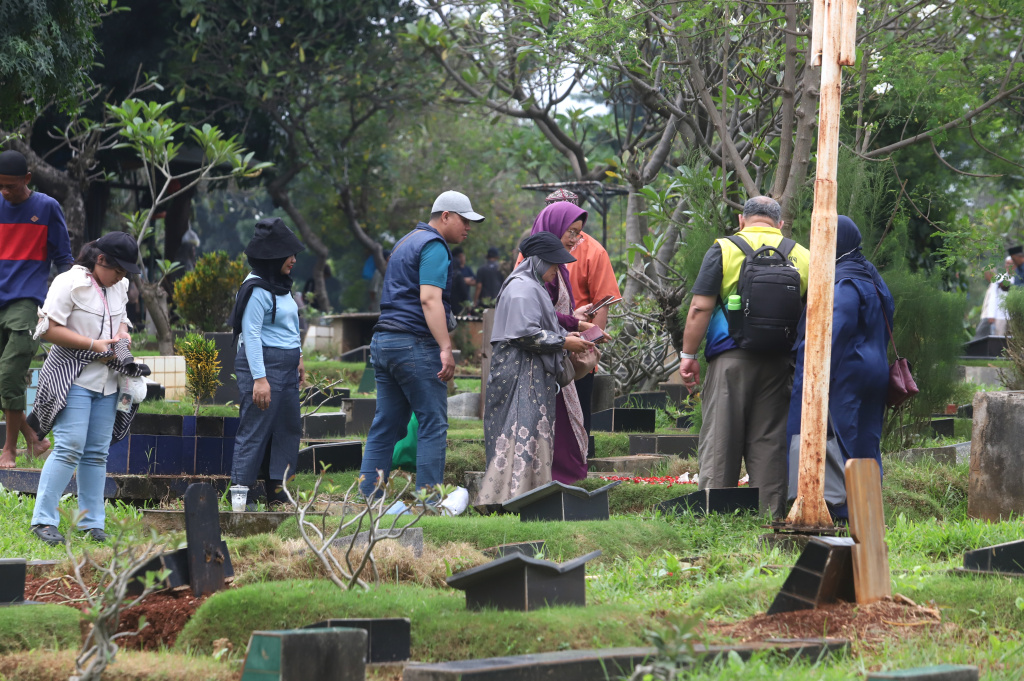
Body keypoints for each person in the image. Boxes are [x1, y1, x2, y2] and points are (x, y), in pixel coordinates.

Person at [678, 196, 810, 519]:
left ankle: (714, 515)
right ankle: (770, 518)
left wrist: (688, 355)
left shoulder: (724, 249)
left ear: (741, 220)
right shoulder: (803, 255)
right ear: (780, 224)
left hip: (730, 360)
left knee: (721, 439)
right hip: (779, 363)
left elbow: (700, 307)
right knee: (770, 443)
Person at [358, 190, 484, 500]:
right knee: (433, 423)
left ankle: (367, 499)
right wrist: (445, 347)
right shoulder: (434, 245)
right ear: (446, 216)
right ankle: (429, 502)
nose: (468, 228)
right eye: (464, 220)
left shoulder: (404, 242)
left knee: (386, 424)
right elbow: (429, 299)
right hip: (413, 343)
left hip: (384, 342)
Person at [29, 232, 141, 544]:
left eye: (125, 272)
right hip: (73, 376)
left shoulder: (119, 286)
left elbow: (122, 320)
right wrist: (93, 344)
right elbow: (47, 329)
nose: (121, 277)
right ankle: (43, 521)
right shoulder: (69, 282)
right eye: (118, 269)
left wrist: (122, 336)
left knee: (96, 453)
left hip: (107, 381)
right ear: (100, 259)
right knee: (69, 446)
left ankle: (92, 524)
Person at [785, 216, 894, 520]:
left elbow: (833, 331)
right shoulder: (871, 276)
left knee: (840, 439)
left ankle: (841, 511)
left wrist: (810, 370)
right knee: (867, 442)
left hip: (846, 372)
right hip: (875, 369)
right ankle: (868, 510)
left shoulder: (843, 280)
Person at [478, 232, 595, 508]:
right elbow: (525, 334)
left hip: (530, 376)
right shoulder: (523, 288)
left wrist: (567, 336)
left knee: (531, 434)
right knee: (520, 432)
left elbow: (540, 327)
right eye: (553, 263)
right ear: (538, 261)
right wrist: (564, 342)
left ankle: (527, 499)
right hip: (519, 376)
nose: (557, 270)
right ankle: (508, 500)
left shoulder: (533, 286)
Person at [521, 201, 606, 484]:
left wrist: (574, 319)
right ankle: (558, 486)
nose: (575, 239)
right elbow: (538, 315)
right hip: (542, 361)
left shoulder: (558, 267)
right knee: (557, 429)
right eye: (570, 232)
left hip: (555, 356)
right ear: (552, 229)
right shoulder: (537, 269)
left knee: (568, 425)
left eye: (578, 233)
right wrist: (575, 326)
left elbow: (552, 312)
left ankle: (564, 485)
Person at [0, 149, 74, 468]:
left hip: (26, 301)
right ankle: (34, 439)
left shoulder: (46, 208)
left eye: (11, 186)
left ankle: (9, 449)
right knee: (3, 378)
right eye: (0, 186)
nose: (5, 192)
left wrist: (69, 305)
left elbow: (65, 260)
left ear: (27, 179)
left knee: (10, 374)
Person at [229, 218, 306, 507]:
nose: (294, 260)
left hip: (287, 365)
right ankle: (242, 495)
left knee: (288, 428)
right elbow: (250, 334)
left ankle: (278, 492)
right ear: (273, 256)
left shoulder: (282, 286)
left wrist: (299, 357)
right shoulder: (255, 289)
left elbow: (290, 325)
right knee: (255, 428)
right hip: (262, 364)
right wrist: (259, 379)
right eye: (289, 255)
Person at [542, 190, 622, 436]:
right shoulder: (536, 248)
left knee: (577, 421)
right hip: (543, 345)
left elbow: (602, 303)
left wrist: (587, 349)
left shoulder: (594, 251)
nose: (571, 236)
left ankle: (579, 459)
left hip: (576, 347)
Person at [975, 262, 1010, 338]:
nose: (985, 277)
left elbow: (994, 300)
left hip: (995, 316)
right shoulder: (993, 283)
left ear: (989, 274)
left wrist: (991, 315)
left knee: (980, 335)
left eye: (985, 275)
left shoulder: (998, 281)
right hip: (992, 315)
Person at [449, 247, 477, 315]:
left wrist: (462, 280)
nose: (462, 258)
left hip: (464, 299)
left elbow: (475, 281)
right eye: (460, 257)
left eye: (463, 256)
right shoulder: (454, 270)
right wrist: (463, 280)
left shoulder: (467, 269)